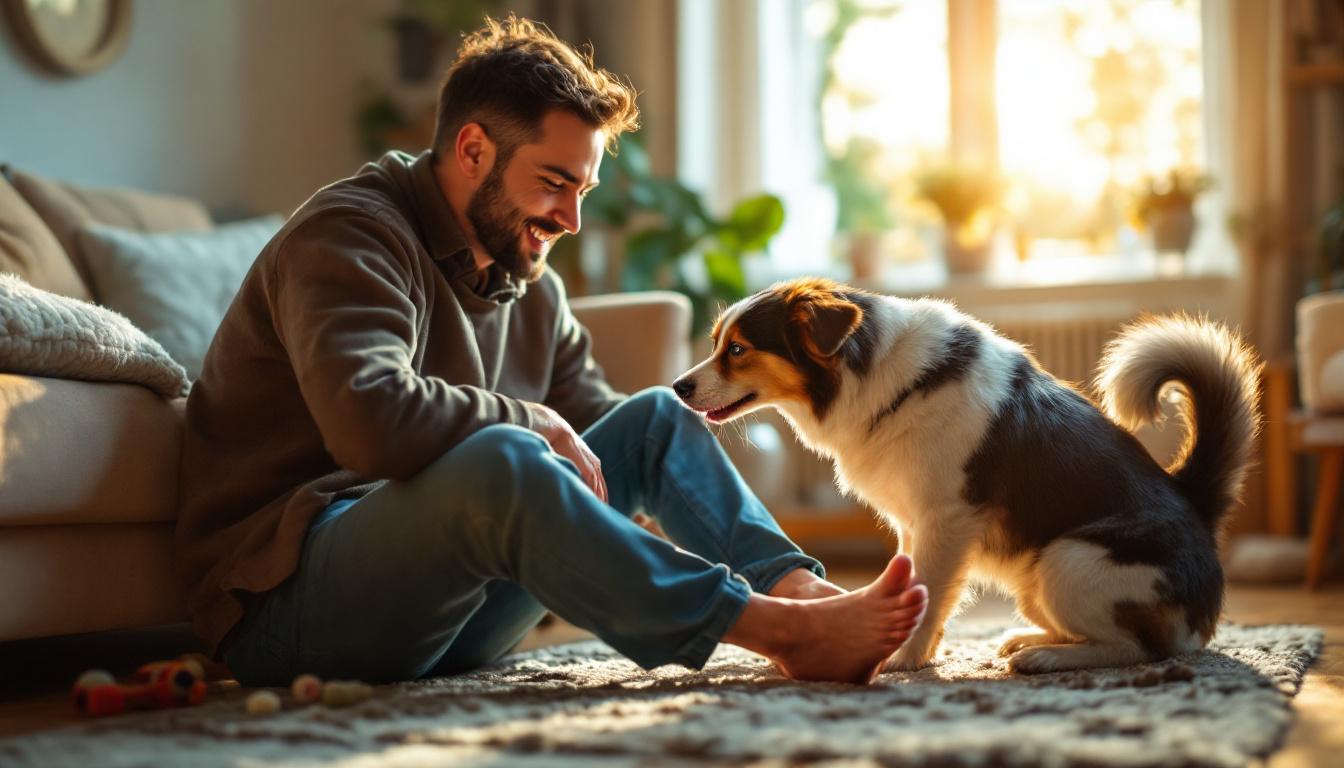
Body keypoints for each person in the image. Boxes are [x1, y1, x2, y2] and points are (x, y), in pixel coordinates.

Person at [175, 15, 927, 688]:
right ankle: (783, 635)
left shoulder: (525, 275)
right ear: (473, 149)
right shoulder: (348, 234)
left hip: (449, 613)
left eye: (584, 189)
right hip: (291, 603)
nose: (571, 217)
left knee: (657, 418)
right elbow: (367, 422)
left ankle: (796, 589)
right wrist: (528, 422)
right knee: (507, 455)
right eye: (554, 183)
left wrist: (583, 435)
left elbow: (609, 437)